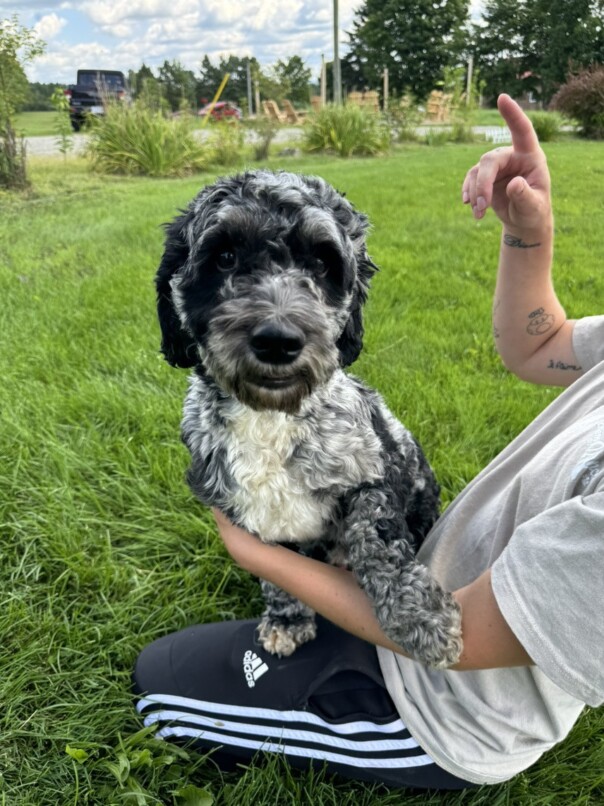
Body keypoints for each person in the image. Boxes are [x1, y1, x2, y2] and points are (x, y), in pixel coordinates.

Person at [133, 95, 603, 789]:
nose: (278, 319)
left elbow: (453, 639)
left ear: (347, 303)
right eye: (227, 257)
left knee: (156, 689)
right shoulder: (204, 411)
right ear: (179, 287)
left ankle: (325, 621)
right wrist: (528, 231)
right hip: (449, 575)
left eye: (319, 269)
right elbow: (544, 345)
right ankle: (305, 600)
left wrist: (251, 549)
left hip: (447, 704)